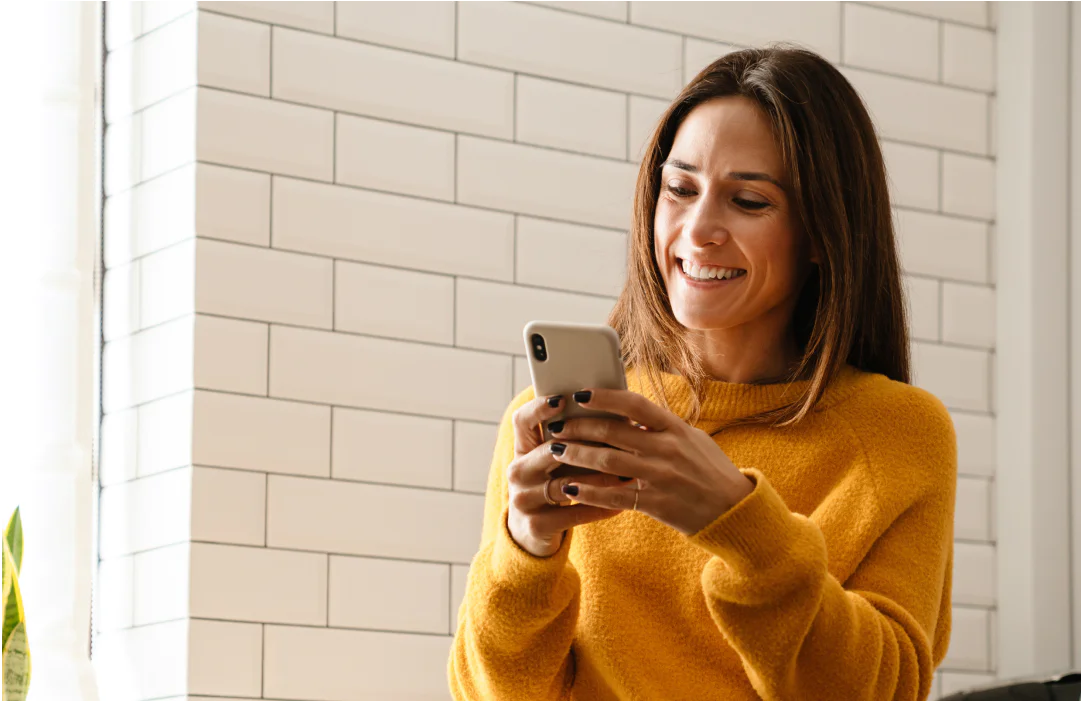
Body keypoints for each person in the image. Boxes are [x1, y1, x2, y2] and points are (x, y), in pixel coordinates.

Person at [448, 45, 956, 701]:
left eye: (747, 200)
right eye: (679, 188)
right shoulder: (556, 418)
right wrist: (527, 548)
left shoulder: (899, 433)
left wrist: (742, 525)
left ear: (822, 234)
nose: (698, 229)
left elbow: (882, 691)